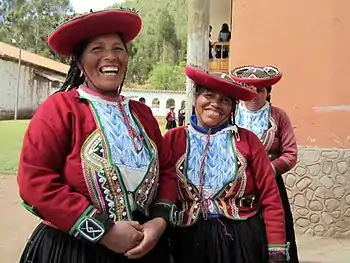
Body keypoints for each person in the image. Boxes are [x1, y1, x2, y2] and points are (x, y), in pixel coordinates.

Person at [17, 8, 177, 263]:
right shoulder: (59, 109)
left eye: (118, 48)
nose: (110, 57)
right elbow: (35, 181)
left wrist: (158, 222)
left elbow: (167, 170)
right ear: (79, 62)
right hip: (74, 250)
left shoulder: (143, 115)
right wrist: (105, 231)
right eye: (97, 49)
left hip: (144, 248)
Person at [165, 65, 289, 263]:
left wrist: (276, 248)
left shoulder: (248, 141)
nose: (215, 104)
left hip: (240, 239)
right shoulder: (174, 139)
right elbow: (163, 188)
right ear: (195, 98)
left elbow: (270, 196)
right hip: (187, 239)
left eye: (225, 100)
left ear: (232, 107)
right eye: (208, 95)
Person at [232, 65, 298, 263]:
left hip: (270, 185)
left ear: (268, 93)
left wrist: (267, 169)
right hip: (236, 185)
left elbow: (290, 154)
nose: (254, 94)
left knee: (274, 230)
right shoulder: (231, 113)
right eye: (249, 89)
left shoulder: (279, 117)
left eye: (260, 90)